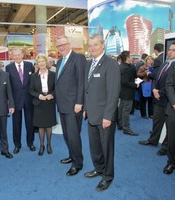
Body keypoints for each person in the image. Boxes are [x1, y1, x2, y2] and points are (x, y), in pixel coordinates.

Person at [83, 34, 120, 191]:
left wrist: (108, 116)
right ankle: (98, 168)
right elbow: (87, 90)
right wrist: (85, 108)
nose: (92, 48)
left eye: (96, 45)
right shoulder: (89, 63)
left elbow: (113, 92)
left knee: (107, 148)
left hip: (104, 116)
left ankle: (108, 176)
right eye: (90, 45)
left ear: (103, 45)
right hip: (91, 114)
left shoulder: (110, 64)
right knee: (95, 146)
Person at [55, 35, 86, 176]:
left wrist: (79, 102)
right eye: (58, 46)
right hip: (62, 105)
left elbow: (81, 82)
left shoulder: (78, 58)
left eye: (63, 44)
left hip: (74, 106)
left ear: (69, 44)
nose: (61, 47)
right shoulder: (59, 61)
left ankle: (77, 163)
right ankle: (72, 155)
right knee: (67, 135)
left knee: (73, 136)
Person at [139, 43, 175, 156]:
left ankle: (165, 147)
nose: (169, 52)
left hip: (169, 100)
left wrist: (160, 92)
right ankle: (153, 140)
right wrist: (154, 88)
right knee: (157, 122)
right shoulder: (164, 64)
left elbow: (170, 85)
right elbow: (155, 77)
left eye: (172, 50)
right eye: (169, 49)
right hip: (158, 98)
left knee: (170, 127)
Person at [6, 48, 36, 154]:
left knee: (30, 123)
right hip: (16, 101)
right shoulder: (8, 68)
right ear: (12, 56)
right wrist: (10, 101)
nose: (17, 56)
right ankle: (17, 145)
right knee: (16, 124)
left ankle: (30, 143)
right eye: (15, 55)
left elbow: (33, 82)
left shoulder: (29, 66)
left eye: (19, 54)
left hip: (29, 99)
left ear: (22, 55)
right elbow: (8, 86)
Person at [29, 54, 56, 156]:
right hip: (39, 103)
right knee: (40, 126)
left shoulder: (53, 74)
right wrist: (39, 95)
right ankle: (41, 146)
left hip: (49, 102)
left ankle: (48, 145)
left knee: (48, 126)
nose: (41, 63)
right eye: (39, 62)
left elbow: (56, 89)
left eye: (43, 61)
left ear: (46, 62)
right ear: (37, 64)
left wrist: (51, 95)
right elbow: (30, 90)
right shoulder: (33, 76)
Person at [118, 50, 140, 136]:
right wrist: (136, 85)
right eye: (130, 56)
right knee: (126, 111)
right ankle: (126, 128)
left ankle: (121, 125)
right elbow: (125, 82)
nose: (132, 58)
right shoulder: (126, 68)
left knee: (121, 109)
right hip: (127, 92)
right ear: (127, 58)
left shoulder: (122, 66)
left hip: (122, 92)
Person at [165, 45, 175, 174]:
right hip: (173, 109)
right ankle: (171, 162)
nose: (170, 51)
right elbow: (169, 85)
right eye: (170, 49)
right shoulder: (173, 66)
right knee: (172, 139)